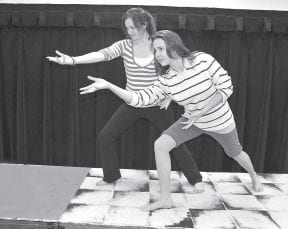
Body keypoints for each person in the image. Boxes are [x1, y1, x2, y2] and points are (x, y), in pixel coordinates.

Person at [79, 30, 264, 211]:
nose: (156, 54)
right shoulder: (166, 80)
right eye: (154, 50)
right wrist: (109, 86)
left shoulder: (202, 60)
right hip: (192, 121)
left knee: (235, 153)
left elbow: (226, 88)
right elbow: (140, 99)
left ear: (173, 46)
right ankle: (165, 199)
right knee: (161, 145)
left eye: (160, 48)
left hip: (219, 121)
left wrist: (201, 112)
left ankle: (254, 175)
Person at [47, 8, 203, 191]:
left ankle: (195, 178)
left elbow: (177, 69)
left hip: (156, 104)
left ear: (144, 24)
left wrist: (170, 96)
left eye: (133, 28)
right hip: (132, 101)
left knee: (175, 140)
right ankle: (112, 176)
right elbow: (102, 54)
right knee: (106, 136)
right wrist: (73, 60)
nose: (129, 32)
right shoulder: (124, 46)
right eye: (127, 28)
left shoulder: (159, 45)